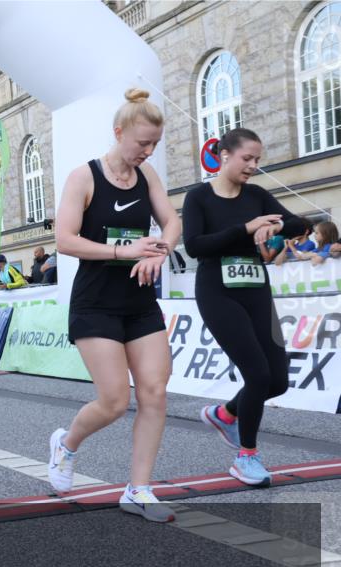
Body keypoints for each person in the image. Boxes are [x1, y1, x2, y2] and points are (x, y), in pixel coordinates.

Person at [50, 88, 182, 522]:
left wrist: (162, 251)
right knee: (112, 401)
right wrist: (125, 253)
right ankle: (66, 445)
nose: (148, 151)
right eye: (142, 143)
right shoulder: (84, 177)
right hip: (96, 303)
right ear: (118, 132)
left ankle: (138, 489)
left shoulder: (148, 178)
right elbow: (65, 241)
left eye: (155, 145)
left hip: (140, 304)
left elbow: (172, 220)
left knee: (155, 393)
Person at [184, 127, 310, 487]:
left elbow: (300, 223)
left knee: (278, 381)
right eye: (247, 158)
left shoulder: (256, 194)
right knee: (256, 374)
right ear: (225, 156)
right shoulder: (198, 197)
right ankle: (246, 458)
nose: (253, 165)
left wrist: (275, 225)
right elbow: (195, 246)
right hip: (217, 291)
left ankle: (225, 413)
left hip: (255, 288)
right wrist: (246, 227)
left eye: (257, 159)